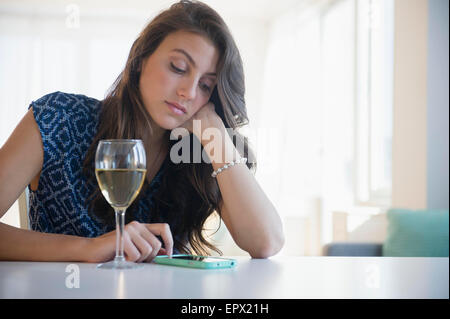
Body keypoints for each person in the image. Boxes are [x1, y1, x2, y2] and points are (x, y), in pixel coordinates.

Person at [0, 0, 284, 263]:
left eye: (206, 86)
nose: (188, 92)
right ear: (140, 59)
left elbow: (266, 243)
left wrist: (215, 133)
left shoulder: (195, 152)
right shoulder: (57, 118)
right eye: (178, 67)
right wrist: (90, 248)